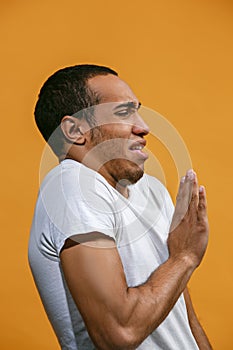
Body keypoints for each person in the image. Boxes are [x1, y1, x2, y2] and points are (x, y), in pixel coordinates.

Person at [28, 64, 212, 350]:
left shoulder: (152, 192)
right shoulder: (70, 185)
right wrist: (184, 257)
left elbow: (184, 322)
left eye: (137, 110)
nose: (144, 127)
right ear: (76, 129)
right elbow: (118, 334)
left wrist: (180, 260)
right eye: (124, 112)